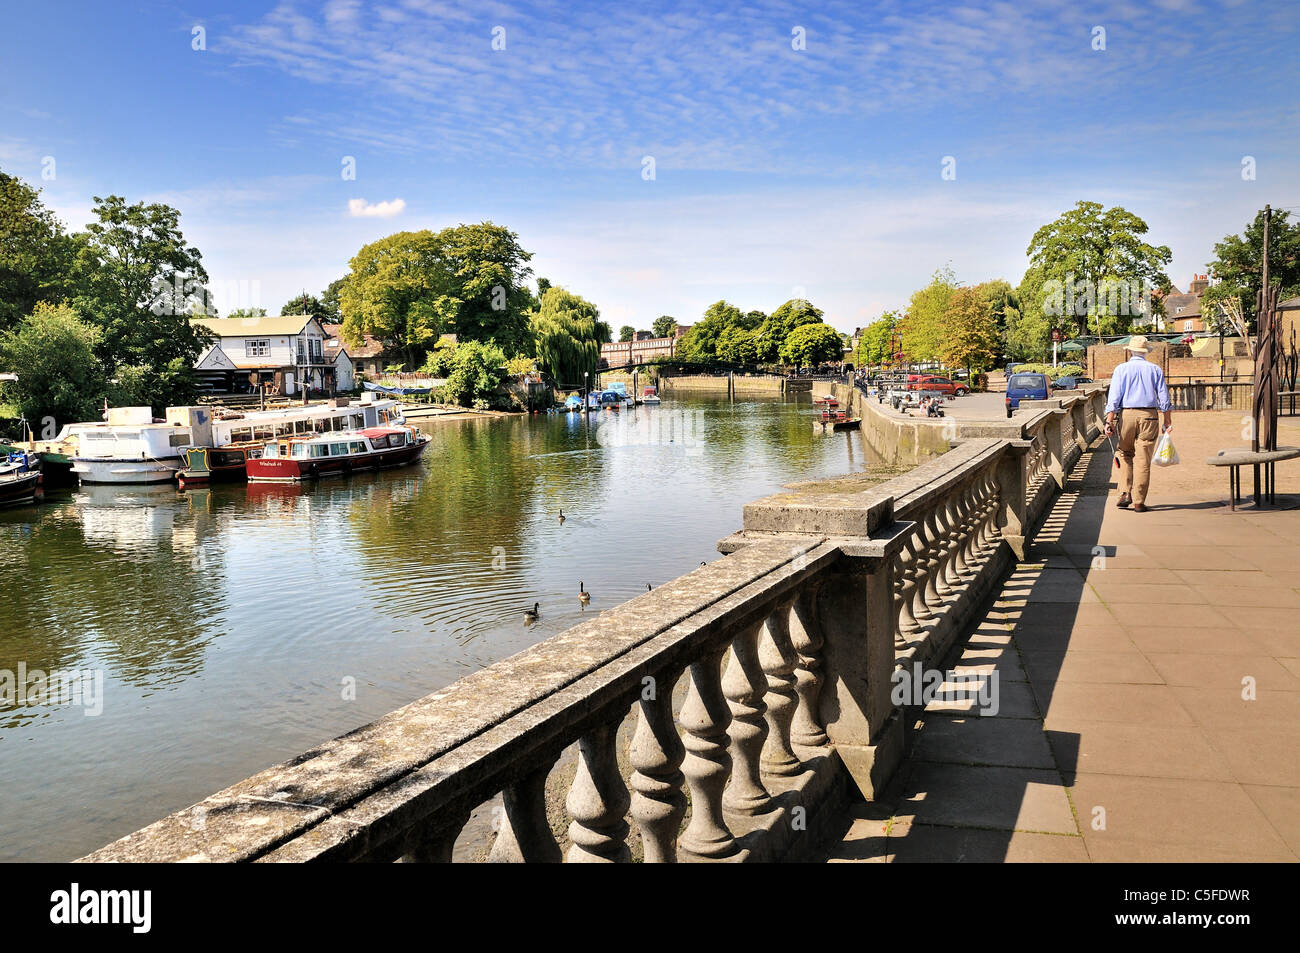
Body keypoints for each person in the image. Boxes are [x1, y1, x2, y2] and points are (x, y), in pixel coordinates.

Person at [1103, 335, 1172, 512]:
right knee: (1143, 460)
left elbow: (1114, 398)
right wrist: (1167, 421)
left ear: (1130, 351)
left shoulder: (1121, 369)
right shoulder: (1155, 369)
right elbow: (1164, 397)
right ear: (1145, 352)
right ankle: (1139, 501)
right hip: (1149, 415)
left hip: (1127, 415)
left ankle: (1125, 492)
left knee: (1125, 453)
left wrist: (1109, 421)